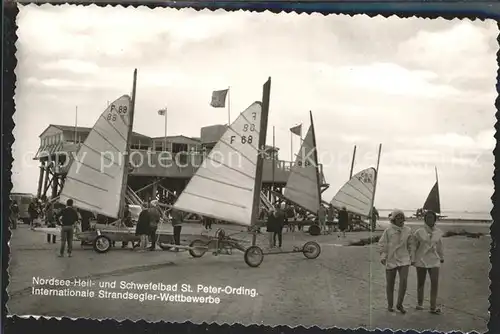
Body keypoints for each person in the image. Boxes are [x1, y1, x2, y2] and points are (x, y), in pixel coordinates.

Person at [378, 209, 414, 314]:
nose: (400, 220)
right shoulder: (388, 231)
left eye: (402, 217)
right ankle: (390, 305)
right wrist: (383, 256)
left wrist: (412, 256)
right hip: (391, 259)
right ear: (393, 219)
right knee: (390, 283)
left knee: (403, 282)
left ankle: (399, 304)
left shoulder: (408, 230)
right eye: (398, 217)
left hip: (404, 259)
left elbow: (411, 244)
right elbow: (382, 244)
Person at [411, 210, 444, 314]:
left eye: (432, 217)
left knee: (435, 283)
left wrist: (441, 256)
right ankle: (420, 304)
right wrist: (412, 259)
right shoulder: (419, 232)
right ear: (425, 219)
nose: (430, 219)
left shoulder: (438, 232)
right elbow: (413, 246)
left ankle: (433, 306)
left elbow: (439, 246)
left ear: (435, 219)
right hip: (421, 259)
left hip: (434, 259)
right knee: (421, 282)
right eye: (428, 217)